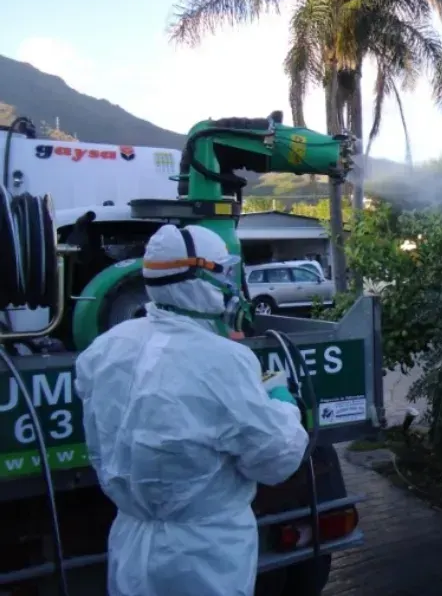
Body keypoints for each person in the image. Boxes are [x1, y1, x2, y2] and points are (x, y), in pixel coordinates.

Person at [74, 224, 309, 596]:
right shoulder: (224, 361)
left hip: (132, 544)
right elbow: (276, 459)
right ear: (201, 278)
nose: (230, 284)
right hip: (204, 555)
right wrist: (281, 402)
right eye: (224, 272)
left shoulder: (106, 348)